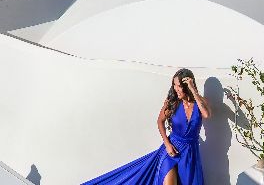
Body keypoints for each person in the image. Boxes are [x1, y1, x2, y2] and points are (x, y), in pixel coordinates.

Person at [79, 67, 208, 185]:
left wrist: (193, 90)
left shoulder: (200, 102)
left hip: (190, 154)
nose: (176, 89)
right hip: (171, 150)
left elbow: (206, 114)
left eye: (179, 86)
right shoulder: (172, 103)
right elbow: (160, 121)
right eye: (174, 85)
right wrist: (167, 144)